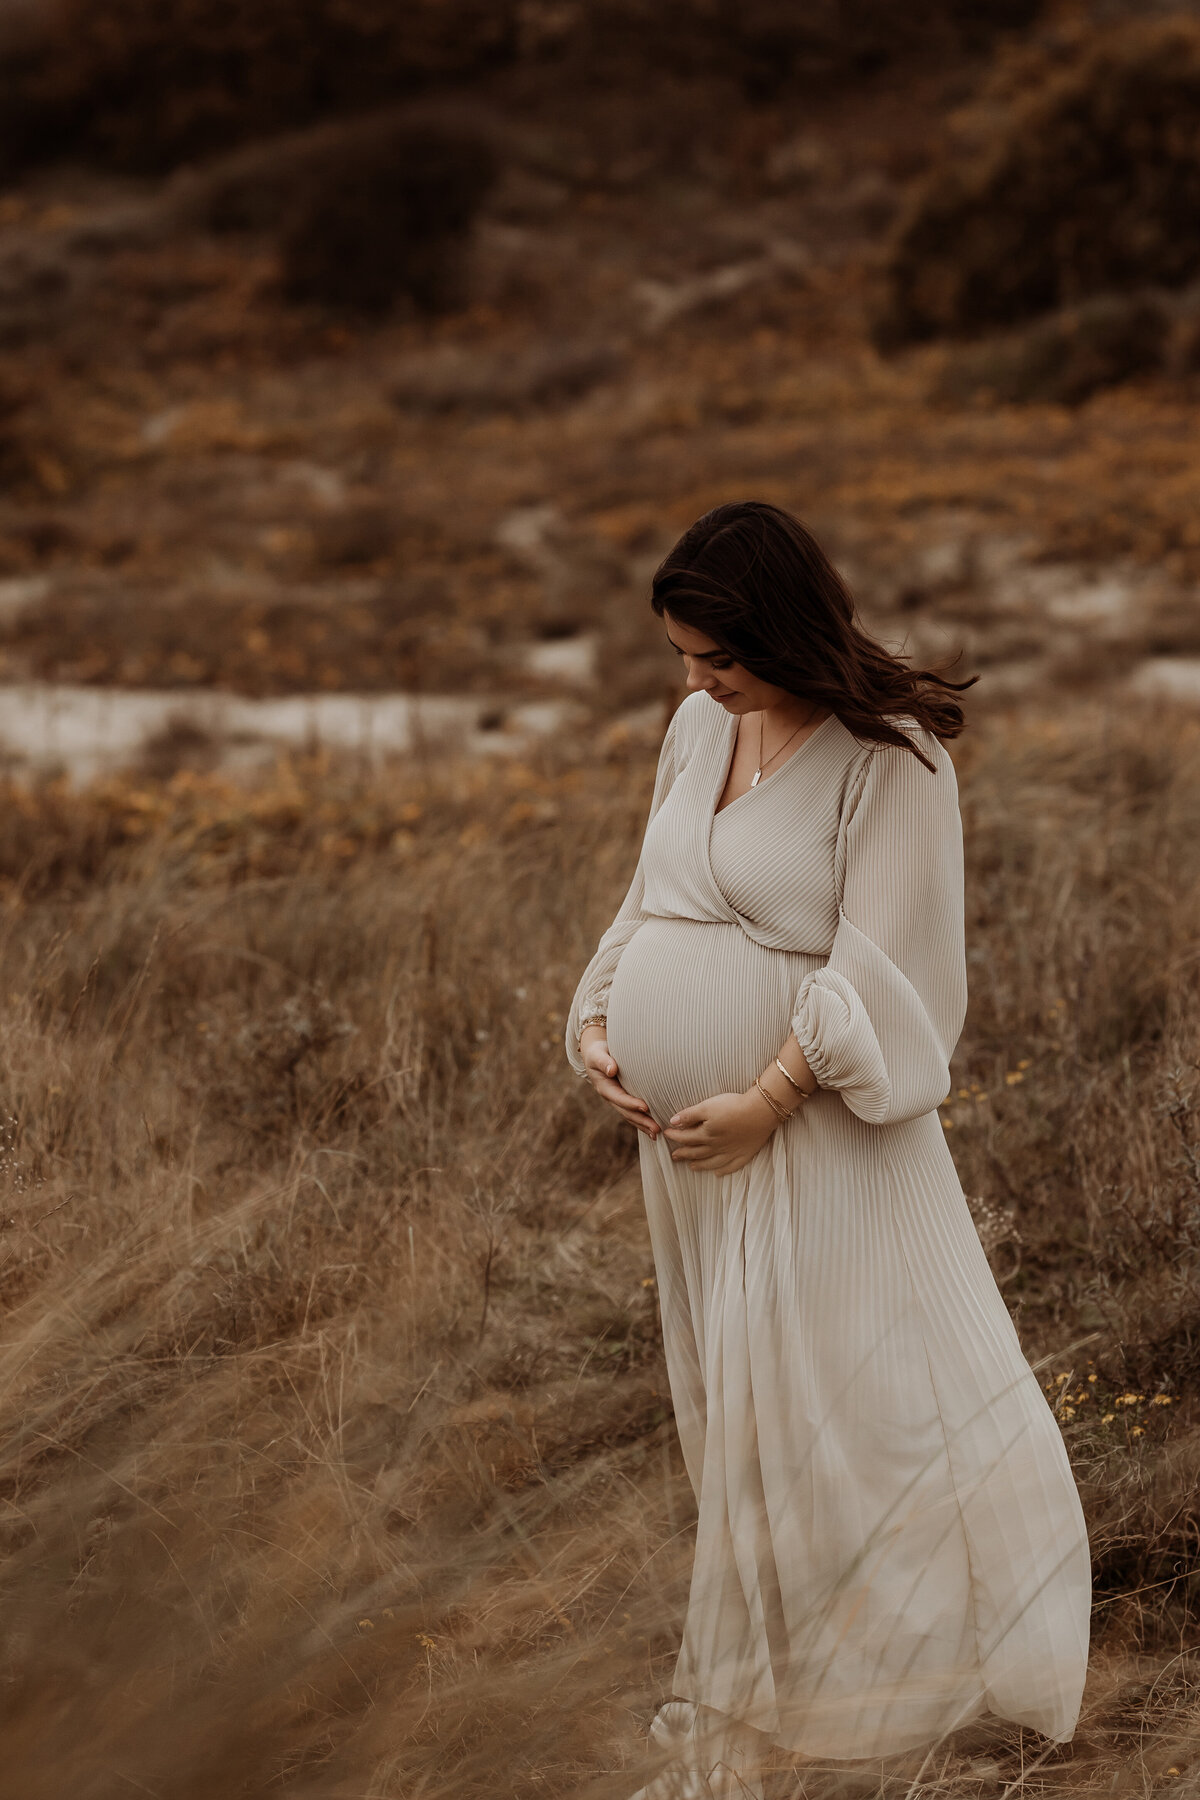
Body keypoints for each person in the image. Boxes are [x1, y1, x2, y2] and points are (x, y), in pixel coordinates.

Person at [564, 503, 1090, 1797]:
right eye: (683, 658)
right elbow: (656, 891)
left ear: (786, 638)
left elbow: (888, 966)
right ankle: (785, 1674)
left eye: (718, 660)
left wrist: (768, 1094)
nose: (695, 684)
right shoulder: (700, 728)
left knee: (861, 1406)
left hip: (810, 1137)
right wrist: (595, 1011)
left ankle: (908, 1681)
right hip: (698, 1152)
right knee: (746, 1416)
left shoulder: (891, 761)